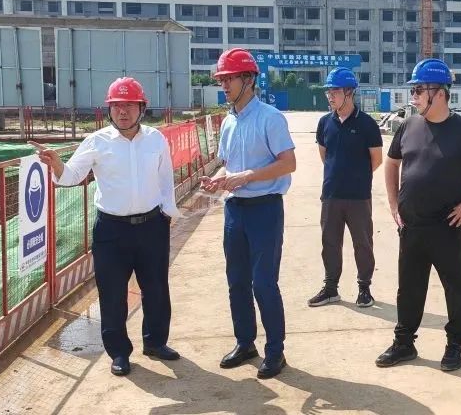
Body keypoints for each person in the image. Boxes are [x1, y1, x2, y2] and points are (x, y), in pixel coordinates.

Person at [31, 77, 181, 377]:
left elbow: (165, 178)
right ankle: (119, 352)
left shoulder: (155, 139)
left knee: (156, 288)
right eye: (116, 106)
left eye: (129, 105)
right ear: (109, 110)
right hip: (111, 231)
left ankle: (155, 342)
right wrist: (57, 164)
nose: (122, 111)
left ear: (142, 108)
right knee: (112, 293)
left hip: (152, 227)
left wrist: (167, 213)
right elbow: (71, 175)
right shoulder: (97, 141)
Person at [376, 58, 461, 371]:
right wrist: (393, 204)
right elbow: (391, 162)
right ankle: (404, 343)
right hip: (411, 226)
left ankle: (455, 345)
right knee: (409, 288)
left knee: (454, 287)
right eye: (413, 90)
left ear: (439, 92)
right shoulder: (409, 126)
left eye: (418, 90)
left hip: (446, 227)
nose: (413, 96)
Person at [200, 48, 296, 379]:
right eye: (222, 80)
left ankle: (275, 351)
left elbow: (288, 163)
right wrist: (218, 180)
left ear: (249, 79)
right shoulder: (228, 121)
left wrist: (247, 177)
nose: (224, 85)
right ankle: (245, 343)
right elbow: (228, 165)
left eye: (230, 79)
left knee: (264, 283)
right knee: (237, 281)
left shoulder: (271, 118)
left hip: (265, 209)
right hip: (234, 210)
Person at [308, 67, 383, 308]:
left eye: (335, 91)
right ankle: (331, 288)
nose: (330, 96)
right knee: (330, 243)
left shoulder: (367, 124)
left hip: (358, 197)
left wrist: (356, 176)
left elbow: (376, 159)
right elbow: (325, 155)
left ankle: (364, 288)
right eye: (328, 92)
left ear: (349, 92)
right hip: (331, 194)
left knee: (363, 244)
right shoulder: (324, 123)